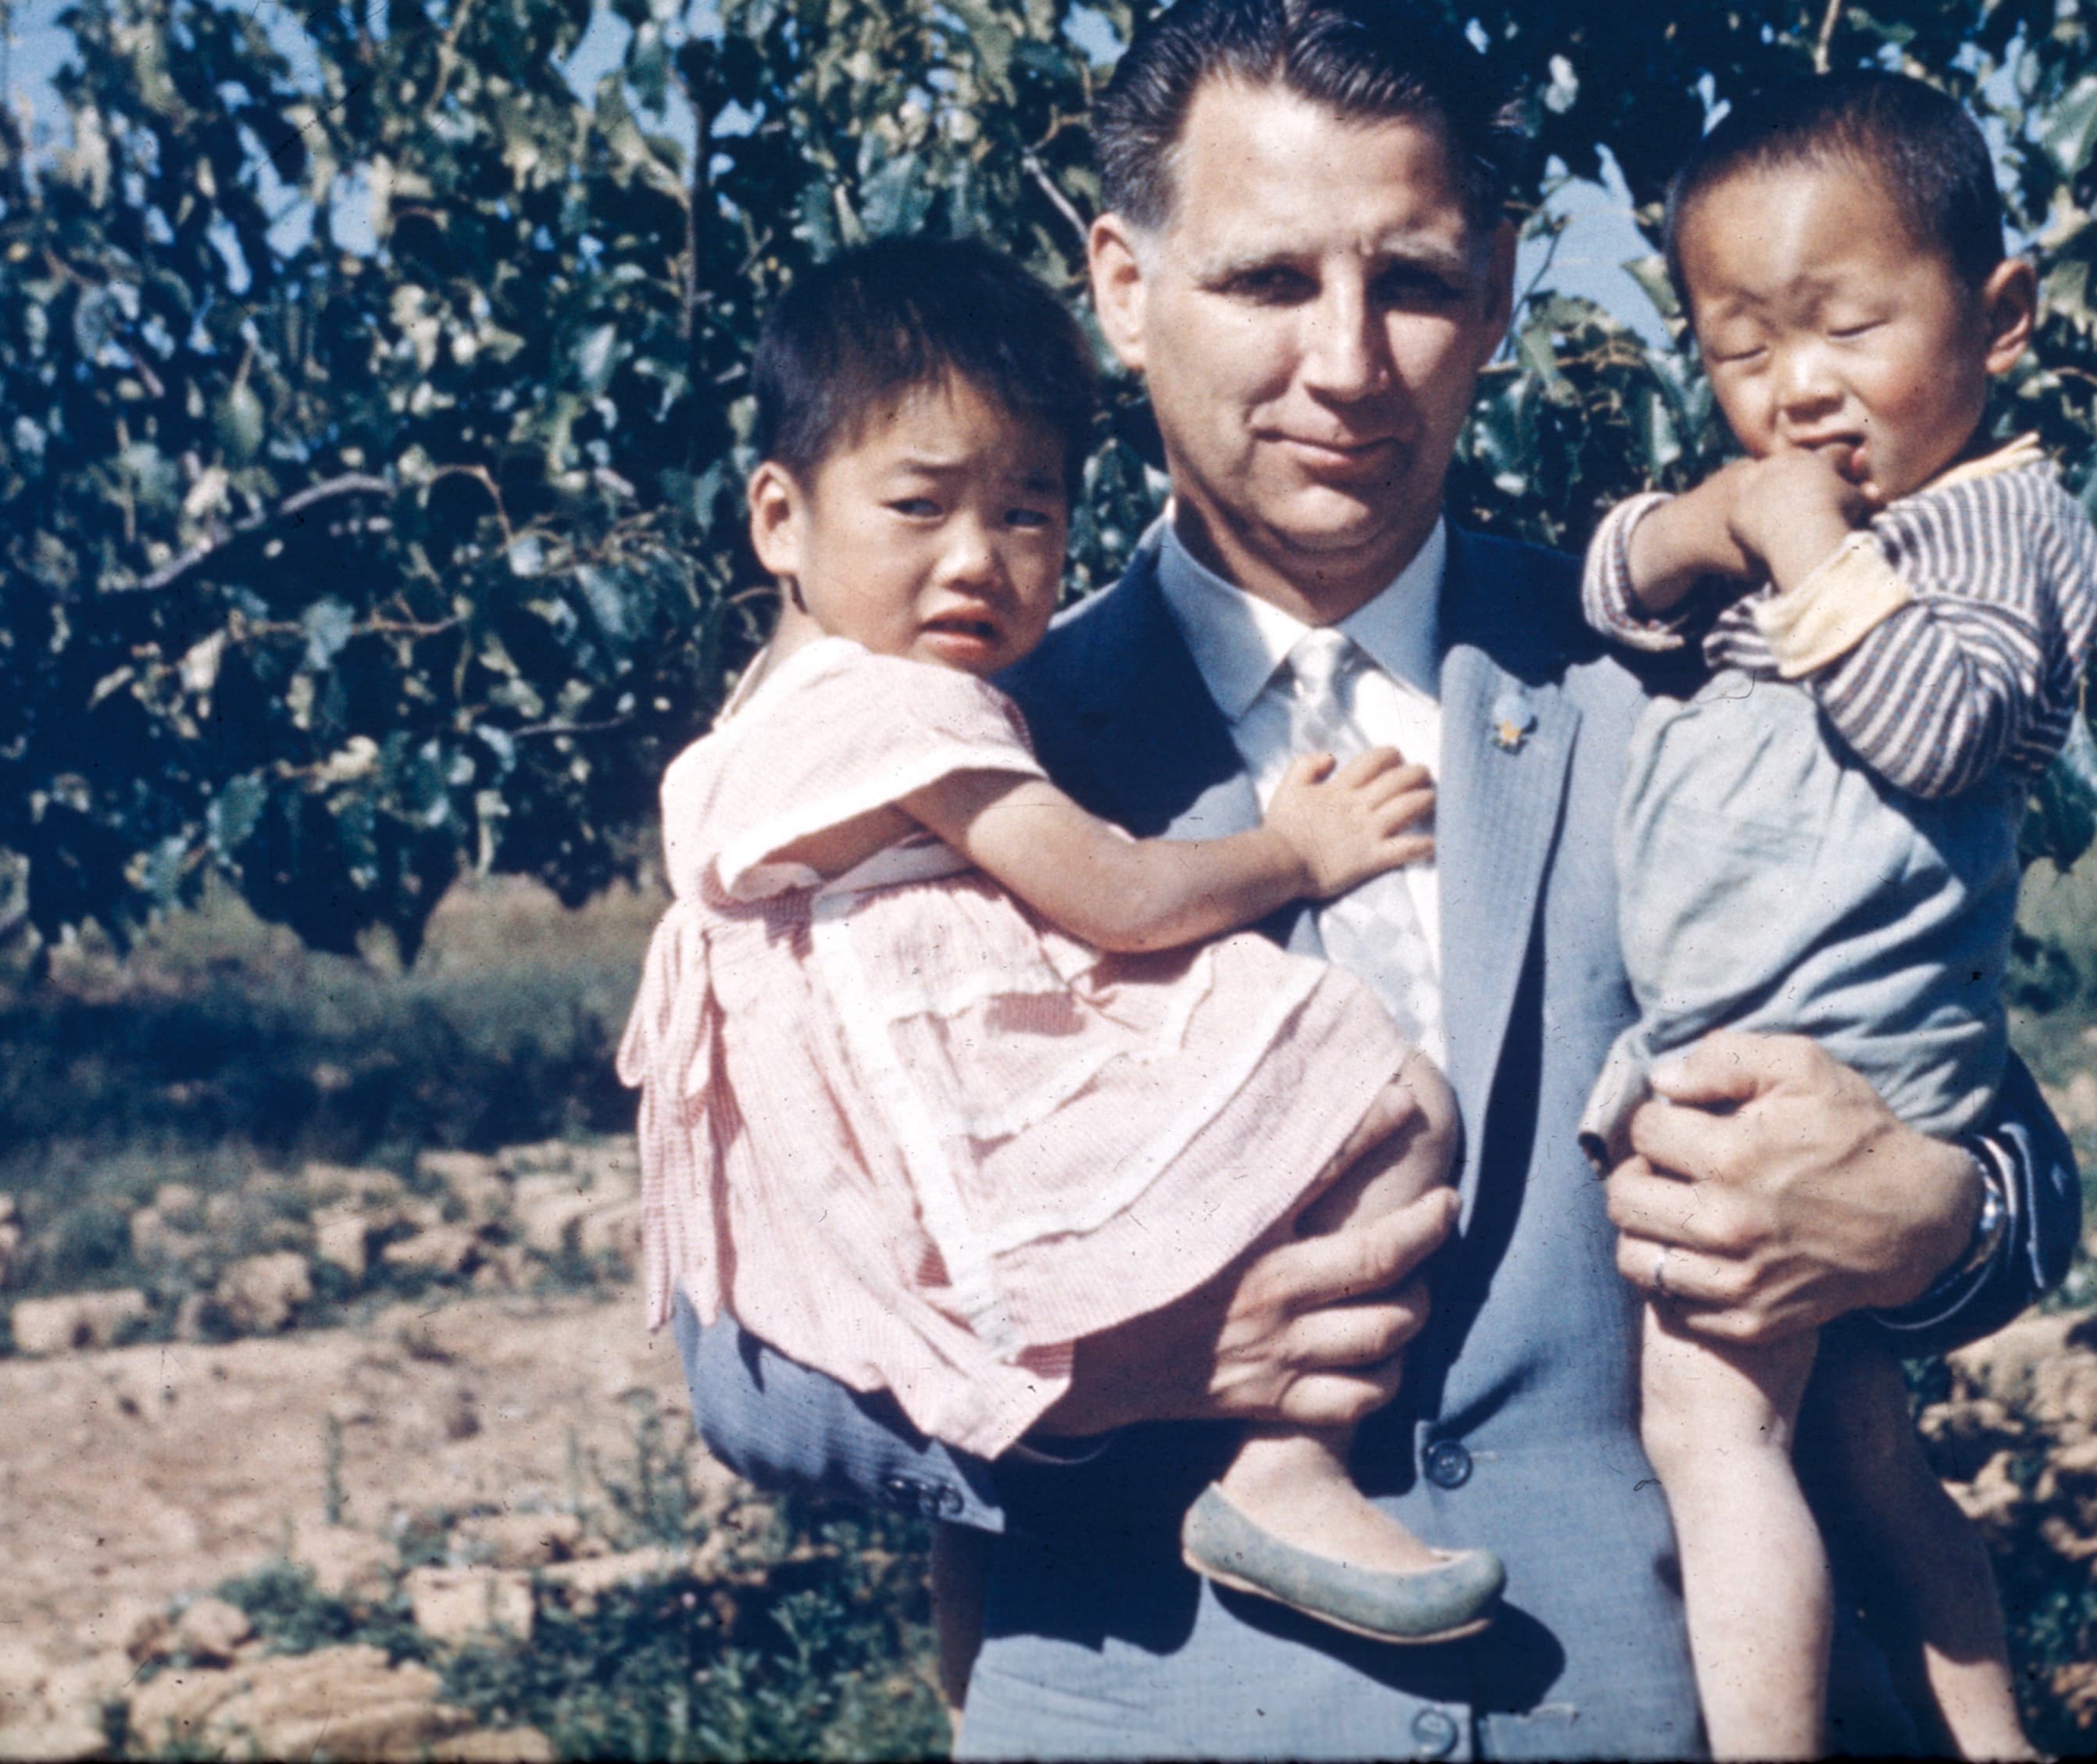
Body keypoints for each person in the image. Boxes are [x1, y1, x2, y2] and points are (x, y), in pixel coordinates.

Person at [677, 0, 2082, 1759]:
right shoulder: (929, 757)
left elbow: (1996, 1130)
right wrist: (1104, 1383)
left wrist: (1926, 1219)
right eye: (1267, 281)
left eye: (1411, 283)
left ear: (1498, 288)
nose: (1345, 362)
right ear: (1122, 286)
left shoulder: (1700, 665)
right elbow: (745, 1358)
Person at [617, 235, 1513, 1648]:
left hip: (880, 1130)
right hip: (964, 1093)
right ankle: (1291, 1466)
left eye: (1029, 517)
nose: (977, 560)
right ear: (778, 520)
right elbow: (1116, 898)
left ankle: (978, 1641)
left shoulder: (774, 709)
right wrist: (1295, 849)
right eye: (919, 507)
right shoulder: (909, 714)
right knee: (1385, 1094)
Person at [1574, 72, 2097, 1758]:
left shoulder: (2002, 527)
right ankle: (1990, 1734)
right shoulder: (1795, 509)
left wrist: (1806, 553)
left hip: (1834, 1066)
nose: (1798, 394)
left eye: (1848, 327)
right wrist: (1706, 522)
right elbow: (1607, 590)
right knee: (1865, 1445)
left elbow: (1947, 724)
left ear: (1999, 315)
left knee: (1711, 1429)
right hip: (1758, 1027)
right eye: (1742, 353)